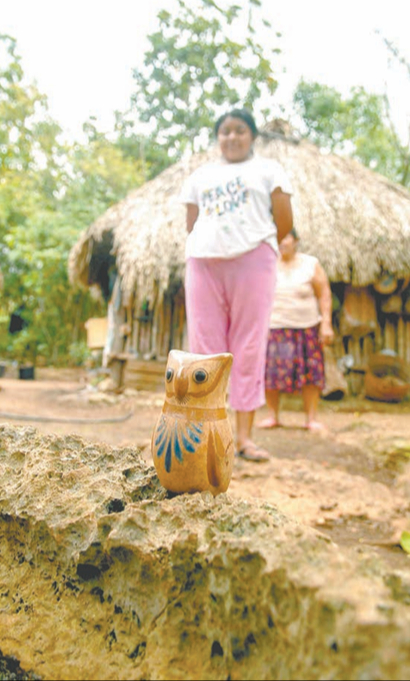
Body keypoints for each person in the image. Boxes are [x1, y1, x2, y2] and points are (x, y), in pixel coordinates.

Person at [180, 108, 293, 462]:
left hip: (253, 261)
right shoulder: (199, 176)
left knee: (248, 346)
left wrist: (253, 247)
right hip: (204, 263)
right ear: (218, 137)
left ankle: (244, 439)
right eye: (225, 131)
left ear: (252, 136)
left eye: (240, 130)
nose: (232, 137)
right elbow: (191, 223)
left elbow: (284, 221)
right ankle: (206, 437)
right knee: (204, 350)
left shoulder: (269, 171)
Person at [256, 228, 334, 431]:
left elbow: (324, 294)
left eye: (287, 237)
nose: (283, 242)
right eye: (278, 238)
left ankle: (311, 419)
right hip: (275, 327)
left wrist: (325, 323)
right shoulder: (267, 263)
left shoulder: (310, 263)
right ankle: (273, 416)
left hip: (306, 327)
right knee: (271, 373)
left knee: (311, 373)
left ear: (296, 241)